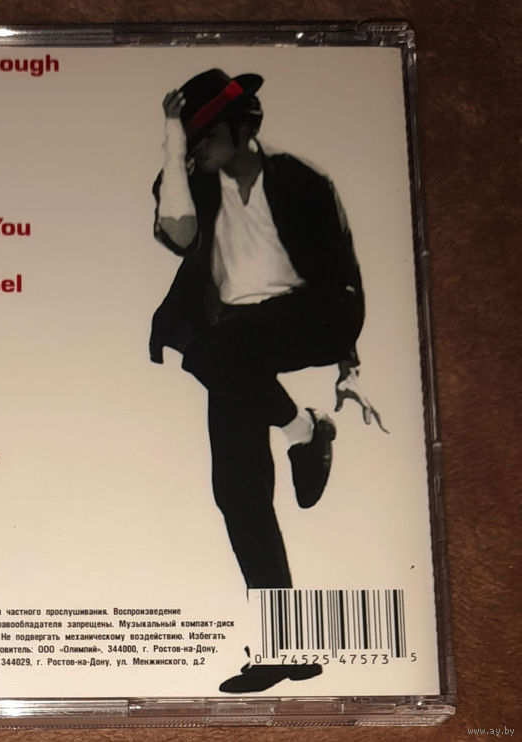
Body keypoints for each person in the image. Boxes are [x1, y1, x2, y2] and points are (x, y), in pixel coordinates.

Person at [150, 68, 384, 692]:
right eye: (189, 141)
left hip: (306, 317)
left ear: (239, 128)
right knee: (238, 492)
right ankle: (285, 650)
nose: (196, 150)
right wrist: (174, 147)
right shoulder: (189, 182)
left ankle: (305, 430)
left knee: (208, 354)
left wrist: (351, 364)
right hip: (235, 338)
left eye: (204, 137)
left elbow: (341, 273)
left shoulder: (301, 181)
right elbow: (179, 235)